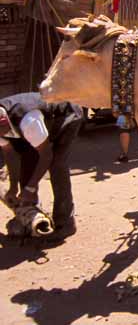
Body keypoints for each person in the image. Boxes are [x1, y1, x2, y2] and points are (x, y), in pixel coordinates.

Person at [0, 93, 83, 240]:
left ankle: (66, 223)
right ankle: (31, 213)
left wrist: (31, 187)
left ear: (5, 122)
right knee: (26, 160)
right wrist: (14, 187)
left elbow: (46, 155)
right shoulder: (4, 126)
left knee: (57, 165)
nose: (3, 135)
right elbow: (10, 154)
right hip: (37, 128)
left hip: (66, 116)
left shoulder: (29, 121)